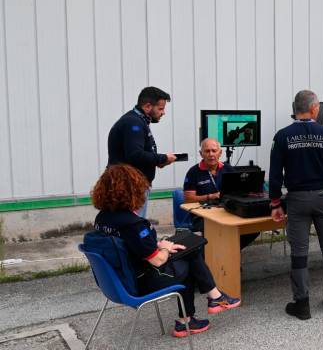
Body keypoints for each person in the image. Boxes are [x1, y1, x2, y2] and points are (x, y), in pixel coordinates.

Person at [91, 165, 240, 337]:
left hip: (117, 281)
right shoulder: (133, 224)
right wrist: (165, 248)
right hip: (141, 283)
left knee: (187, 250)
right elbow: (158, 261)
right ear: (133, 191)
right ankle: (207, 303)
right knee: (191, 255)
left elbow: (132, 246)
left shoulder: (102, 218)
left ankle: (210, 301)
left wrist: (159, 245)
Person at [270, 90, 323, 320]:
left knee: (299, 253)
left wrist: (275, 203)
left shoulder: (282, 135)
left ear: (295, 108)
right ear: (315, 109)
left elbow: (275, 174)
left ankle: (302, 304)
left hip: (296, 200)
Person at [107, 87, 177, 218]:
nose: (163, 113)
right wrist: (162, 158)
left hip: (132, 185)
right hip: (130, 187)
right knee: (131, 228)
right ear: (148, 106)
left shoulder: (137, 121)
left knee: (128, 227)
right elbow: (135, 155)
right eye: (161, 109)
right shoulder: (133, 123)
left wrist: (159, 161)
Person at [182, 139, 260, 247]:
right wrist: (210, 196)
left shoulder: (228, 168)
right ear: (201, 154)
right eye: (207, 151)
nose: (211, 154)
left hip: (227, 211)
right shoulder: (193, 172)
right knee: (218, 229)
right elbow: (188, 199)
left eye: (214, 151)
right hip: (203, 216)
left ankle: (230, 253)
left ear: (220, 153)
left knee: (253, 229)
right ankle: (222, 256)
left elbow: (238, 190)